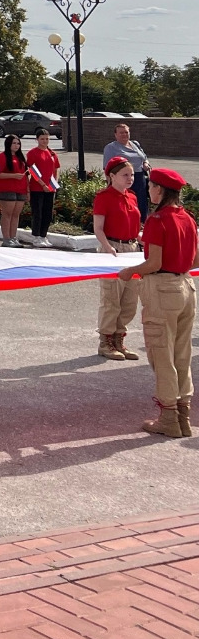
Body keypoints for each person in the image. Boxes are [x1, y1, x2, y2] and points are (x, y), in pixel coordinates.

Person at [117, 167, 196, 438]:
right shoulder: (188, 218)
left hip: (163, 290)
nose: (148, 190)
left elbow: (154, 263)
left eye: (151, 186)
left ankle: (169, 418)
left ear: (160, 190)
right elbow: (195, 260)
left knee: (161, 354)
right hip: (186, 285)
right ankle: (183, 415)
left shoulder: (157, 220)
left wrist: (129, 272)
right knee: (181, 353)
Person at [93, 157, 143, 362]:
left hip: (131, 251)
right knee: (111, 299)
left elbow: (135, 225)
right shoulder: (104, 197)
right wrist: (107, 247)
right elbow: (98, 228)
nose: (130, 178)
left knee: (129, 300)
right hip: (112, 251)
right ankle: (105, 341)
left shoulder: (131, 196)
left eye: (131, 175)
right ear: (112, 176)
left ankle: (119, 339)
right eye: (125, 175)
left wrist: (140, 237)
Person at [104, 123, 151, 219]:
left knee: (141, 202)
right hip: (123, 178)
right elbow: (107, 168)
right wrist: (110, 184)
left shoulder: (135, 144)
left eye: (126, 132)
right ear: (115, 135)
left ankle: (142, 224)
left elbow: (144, 157)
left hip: (139, 177)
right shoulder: (111, 148)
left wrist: (145, 163)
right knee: (127, 203)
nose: (124, 135)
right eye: (121, 133)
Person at [0, 135, 29, 247]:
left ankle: (13, 237)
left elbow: (26, 175)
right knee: (7, 214)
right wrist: (13, 176)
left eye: (18, 143)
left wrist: (28, 191)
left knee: (16, 215)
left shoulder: (21, 158)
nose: (16, 145)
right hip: (7, 189)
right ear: (8, 144)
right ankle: (6, 238)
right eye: (14, 143)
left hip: (21, 189)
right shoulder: (2, 157)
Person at [25, 132, 60, 241]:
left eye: (46, 139)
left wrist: (54, 183)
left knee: (48, 213)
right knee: (38, 213)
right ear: (37, 140)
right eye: (42, 139)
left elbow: (56, 169)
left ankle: (43, 235)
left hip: (50, 188)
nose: (45, 141)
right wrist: (43, 184)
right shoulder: (32, 153)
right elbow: (32, 170)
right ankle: (36, 236)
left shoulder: (52, 153)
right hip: (37, 188)